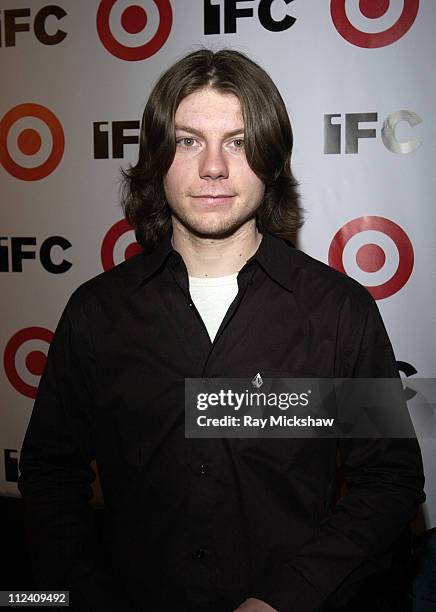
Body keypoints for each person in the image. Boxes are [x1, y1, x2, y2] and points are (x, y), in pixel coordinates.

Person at [18, 48, 425, 612]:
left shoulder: (338, 312)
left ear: (271, 158)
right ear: (158, 157)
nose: (213, 167)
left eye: (237, 141)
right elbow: (49, 476)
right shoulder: (97, 313)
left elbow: (388, 480)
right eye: (188, 141)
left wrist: (286, 597)